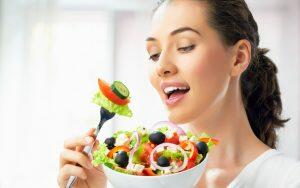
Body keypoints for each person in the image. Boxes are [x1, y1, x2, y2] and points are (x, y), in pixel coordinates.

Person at [57, 0, 300, 187]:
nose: (161, 66)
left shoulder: (288, 180)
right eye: (153, 53)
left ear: (238, 58)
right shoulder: (135, 177)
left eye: (185, 46)